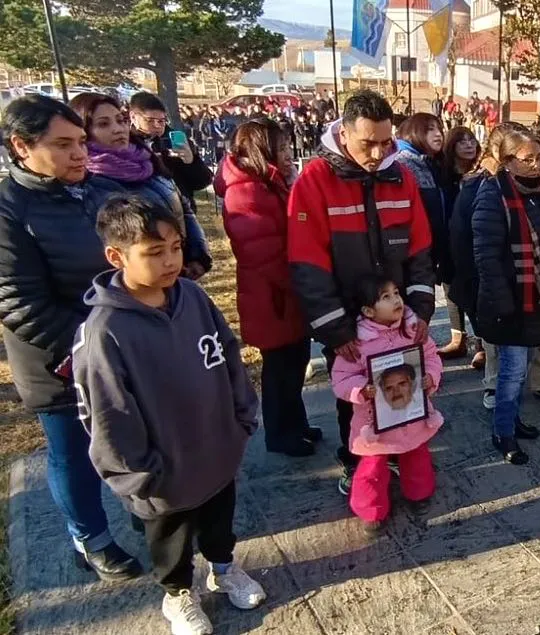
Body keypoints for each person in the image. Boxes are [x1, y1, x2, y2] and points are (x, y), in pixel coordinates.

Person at [73, 195, 265, 635]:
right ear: (116, 257)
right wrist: (139, 475)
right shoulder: (105, 332)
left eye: (176, 247)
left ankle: (223, 568)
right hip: (161, 469)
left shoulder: (193, 297)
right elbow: (107, 413)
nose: (170, 261)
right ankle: (178, 594)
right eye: (154, 252)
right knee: (171, 539)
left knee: (219, 520)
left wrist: (240, 419)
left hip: (216, 447)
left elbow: (227, 354)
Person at [0, 95, 141, 581]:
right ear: (22, 146)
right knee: (74, 452)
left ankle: (142, 508)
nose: (80, 153)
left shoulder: (101, 191)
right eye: (62, 145)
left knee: (131, 438)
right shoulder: (9, 211)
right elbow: (19, 303)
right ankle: (91, 538)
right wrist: (94, 347)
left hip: (123, 346)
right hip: (57, 360)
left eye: (81, 141)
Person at [287, 90, 436, 496]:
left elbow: (420, 250)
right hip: (347, 320)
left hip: (397, 315)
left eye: (385, 142)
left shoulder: (401, 177)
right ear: (344, 133)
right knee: (353, 396)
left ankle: (398, 451)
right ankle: (357, 461)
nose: (377, 153)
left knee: (401, 382)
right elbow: (307, 264)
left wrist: (421, 309)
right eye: (367, 142)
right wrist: (336, 330)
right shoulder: (314, 181)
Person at [221, 119, 320, 457]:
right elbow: (262, 251)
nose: (288, 153)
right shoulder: (245, 191)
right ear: (261, 151)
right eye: (281, 148)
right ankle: (280, 434)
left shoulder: (273, 183)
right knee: (280, 369)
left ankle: (297, 424)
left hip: (288, 293)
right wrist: (301, 281)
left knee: (295, 362)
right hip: (272, 297)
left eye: (288, 146)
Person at [471, 129, 540, 464]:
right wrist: (504, 305)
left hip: (536, 299)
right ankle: (503, 432)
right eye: (528, 159)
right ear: (507, 161)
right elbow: (486, 257)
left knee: (522, 367)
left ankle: (512, 419)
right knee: (511, 373)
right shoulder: (492, 194)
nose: (536, 164)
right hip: (511, 302)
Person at [331, 278, 442, 532]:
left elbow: (431, 356)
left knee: (417, 454)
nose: (396, 300)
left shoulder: (413, 329)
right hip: (374, 423)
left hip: (412, 415)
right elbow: (341, 379)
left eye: (397, 293)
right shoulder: (357, 343)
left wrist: (430, 376)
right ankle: (370, 510)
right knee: (372, 467)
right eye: (386, 297)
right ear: (369, 311)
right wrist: (362, 390)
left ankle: (419, 494)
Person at [71, 93, 213, 280]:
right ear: (82, 131)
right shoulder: (89, 183)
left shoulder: (146, 161)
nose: (118, 129)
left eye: (120, 121)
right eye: (103, 124)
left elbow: (184, 209)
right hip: (139, 282)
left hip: (179, 271)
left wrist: (197, 256)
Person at [392, 114, 450, 349]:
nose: (438, 134)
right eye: (429, 129)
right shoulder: (404, 163)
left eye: (439, 129)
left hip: (427, 250)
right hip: (410, 252)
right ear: (414, 132)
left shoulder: (426, 162)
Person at [128, 92, 214, 221]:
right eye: (150, 120)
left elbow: (203, 182)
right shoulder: (124, 144)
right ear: (133, 117)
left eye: (161, 121)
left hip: (182, 216)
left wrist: (191, 161)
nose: (157, 126)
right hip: (143, 217)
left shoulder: (175, 140)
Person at [438, 126, 484, 365]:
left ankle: (482, 343)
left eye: (472, 140)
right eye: (462, 141)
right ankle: (458, 338)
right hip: (447, 239)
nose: (468, 145)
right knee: (450, 287)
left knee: (473, 290)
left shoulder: (482, 173)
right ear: (452, 146)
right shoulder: (443, 174)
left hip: (471, 240)